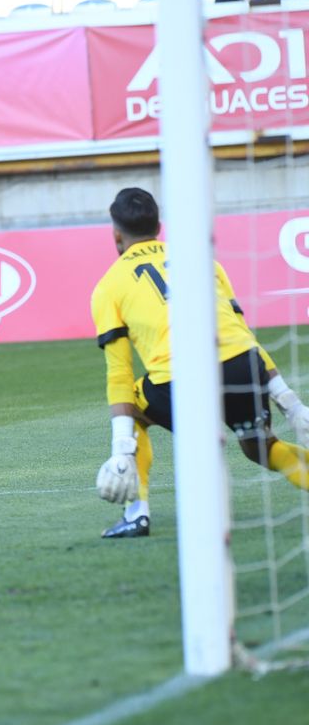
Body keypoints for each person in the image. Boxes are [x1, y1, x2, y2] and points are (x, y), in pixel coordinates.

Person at [91, 187, 309, 538]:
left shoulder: (108, 286)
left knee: (134, 408)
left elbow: (119, 372)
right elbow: (242, 334)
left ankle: (136, 513)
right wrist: (291, 403)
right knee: (261, 447)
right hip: (241, 364)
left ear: (116, 233)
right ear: (159, 226)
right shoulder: (206, 263)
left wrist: (121, 450)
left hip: (180, 380)